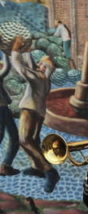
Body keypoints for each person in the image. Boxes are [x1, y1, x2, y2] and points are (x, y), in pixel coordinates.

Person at [10, 36, 59, 192]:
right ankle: (37, 168)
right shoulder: (45, 79)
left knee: (24, 140)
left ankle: (49, 170)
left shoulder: (36, 77)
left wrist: (16, 50)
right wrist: (27, 51)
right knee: (34, 140)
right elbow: (31, 65)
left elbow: (20, 67)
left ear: (44, 68)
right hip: (40, 112)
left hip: (29, 109)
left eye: (41, 64)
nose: (38, 65)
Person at [0, 50, 19, 176]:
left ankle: (5, 166)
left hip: (2, 108)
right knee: (14, 137)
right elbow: (6, 67)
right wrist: (6, 52)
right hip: (2, 109)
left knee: (1, 136)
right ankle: (5, 166)